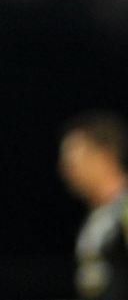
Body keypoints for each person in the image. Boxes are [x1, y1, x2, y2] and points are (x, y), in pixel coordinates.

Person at [59, 110, 128, 300]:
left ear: (105, 157)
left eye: (73, 162)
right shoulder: (97, 217)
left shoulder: (124, 210)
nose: (66, 171)